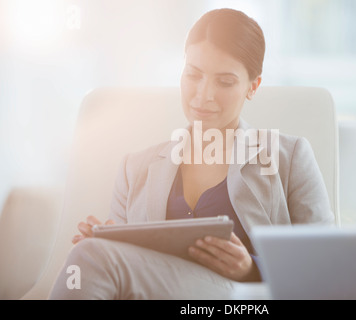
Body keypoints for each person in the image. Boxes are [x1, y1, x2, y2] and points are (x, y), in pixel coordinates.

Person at [49, 8, 334, 300]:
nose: (203, 95)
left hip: (243, 300)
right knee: (91, 255)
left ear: (253, 86)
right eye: (193, 75)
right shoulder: (135, 169)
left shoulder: (289, 157)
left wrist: (252, 269)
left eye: (224, 82)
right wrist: (105, 245)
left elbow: (329, 267)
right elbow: (120, 267)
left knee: (92, 257)